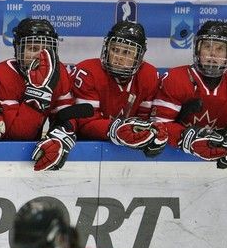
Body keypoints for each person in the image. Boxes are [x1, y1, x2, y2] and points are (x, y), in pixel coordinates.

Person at [152, 21, 227, 168]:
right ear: (197, 49)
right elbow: (158, 125)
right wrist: (187, 137)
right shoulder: (176, 78)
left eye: (220, 48)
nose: (213, 54)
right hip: (171, 161)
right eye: (207, 46)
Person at [0, 18, 77, 171]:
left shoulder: (60, 72)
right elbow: (17, 135)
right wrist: (39, 91)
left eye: (47, 49)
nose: (40, 56)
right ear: (18, 49)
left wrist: (60, 137)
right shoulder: (2, 75)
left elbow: (66, 116)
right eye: (33, 48)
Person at [72, 21, 168, 156]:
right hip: (85, 150)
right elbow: (86, 125)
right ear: (107, 48)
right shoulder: (88, 72)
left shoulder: (149, 76)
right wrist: (118, 129)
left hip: (127, 152)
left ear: (139, 56)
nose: (118, 58)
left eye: (127, 52)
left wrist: (151, 133)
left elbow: (144, 120)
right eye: (115, 50)